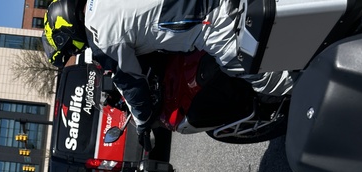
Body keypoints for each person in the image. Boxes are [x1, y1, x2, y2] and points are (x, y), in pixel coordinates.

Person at [41, 0, 295, 149]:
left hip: (213, 20)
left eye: (70, 49)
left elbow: (132, 85)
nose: (76, 51)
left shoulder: (100, 37)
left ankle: (304, 91)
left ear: (69, 33)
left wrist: (142, 124)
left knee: (260, 75)